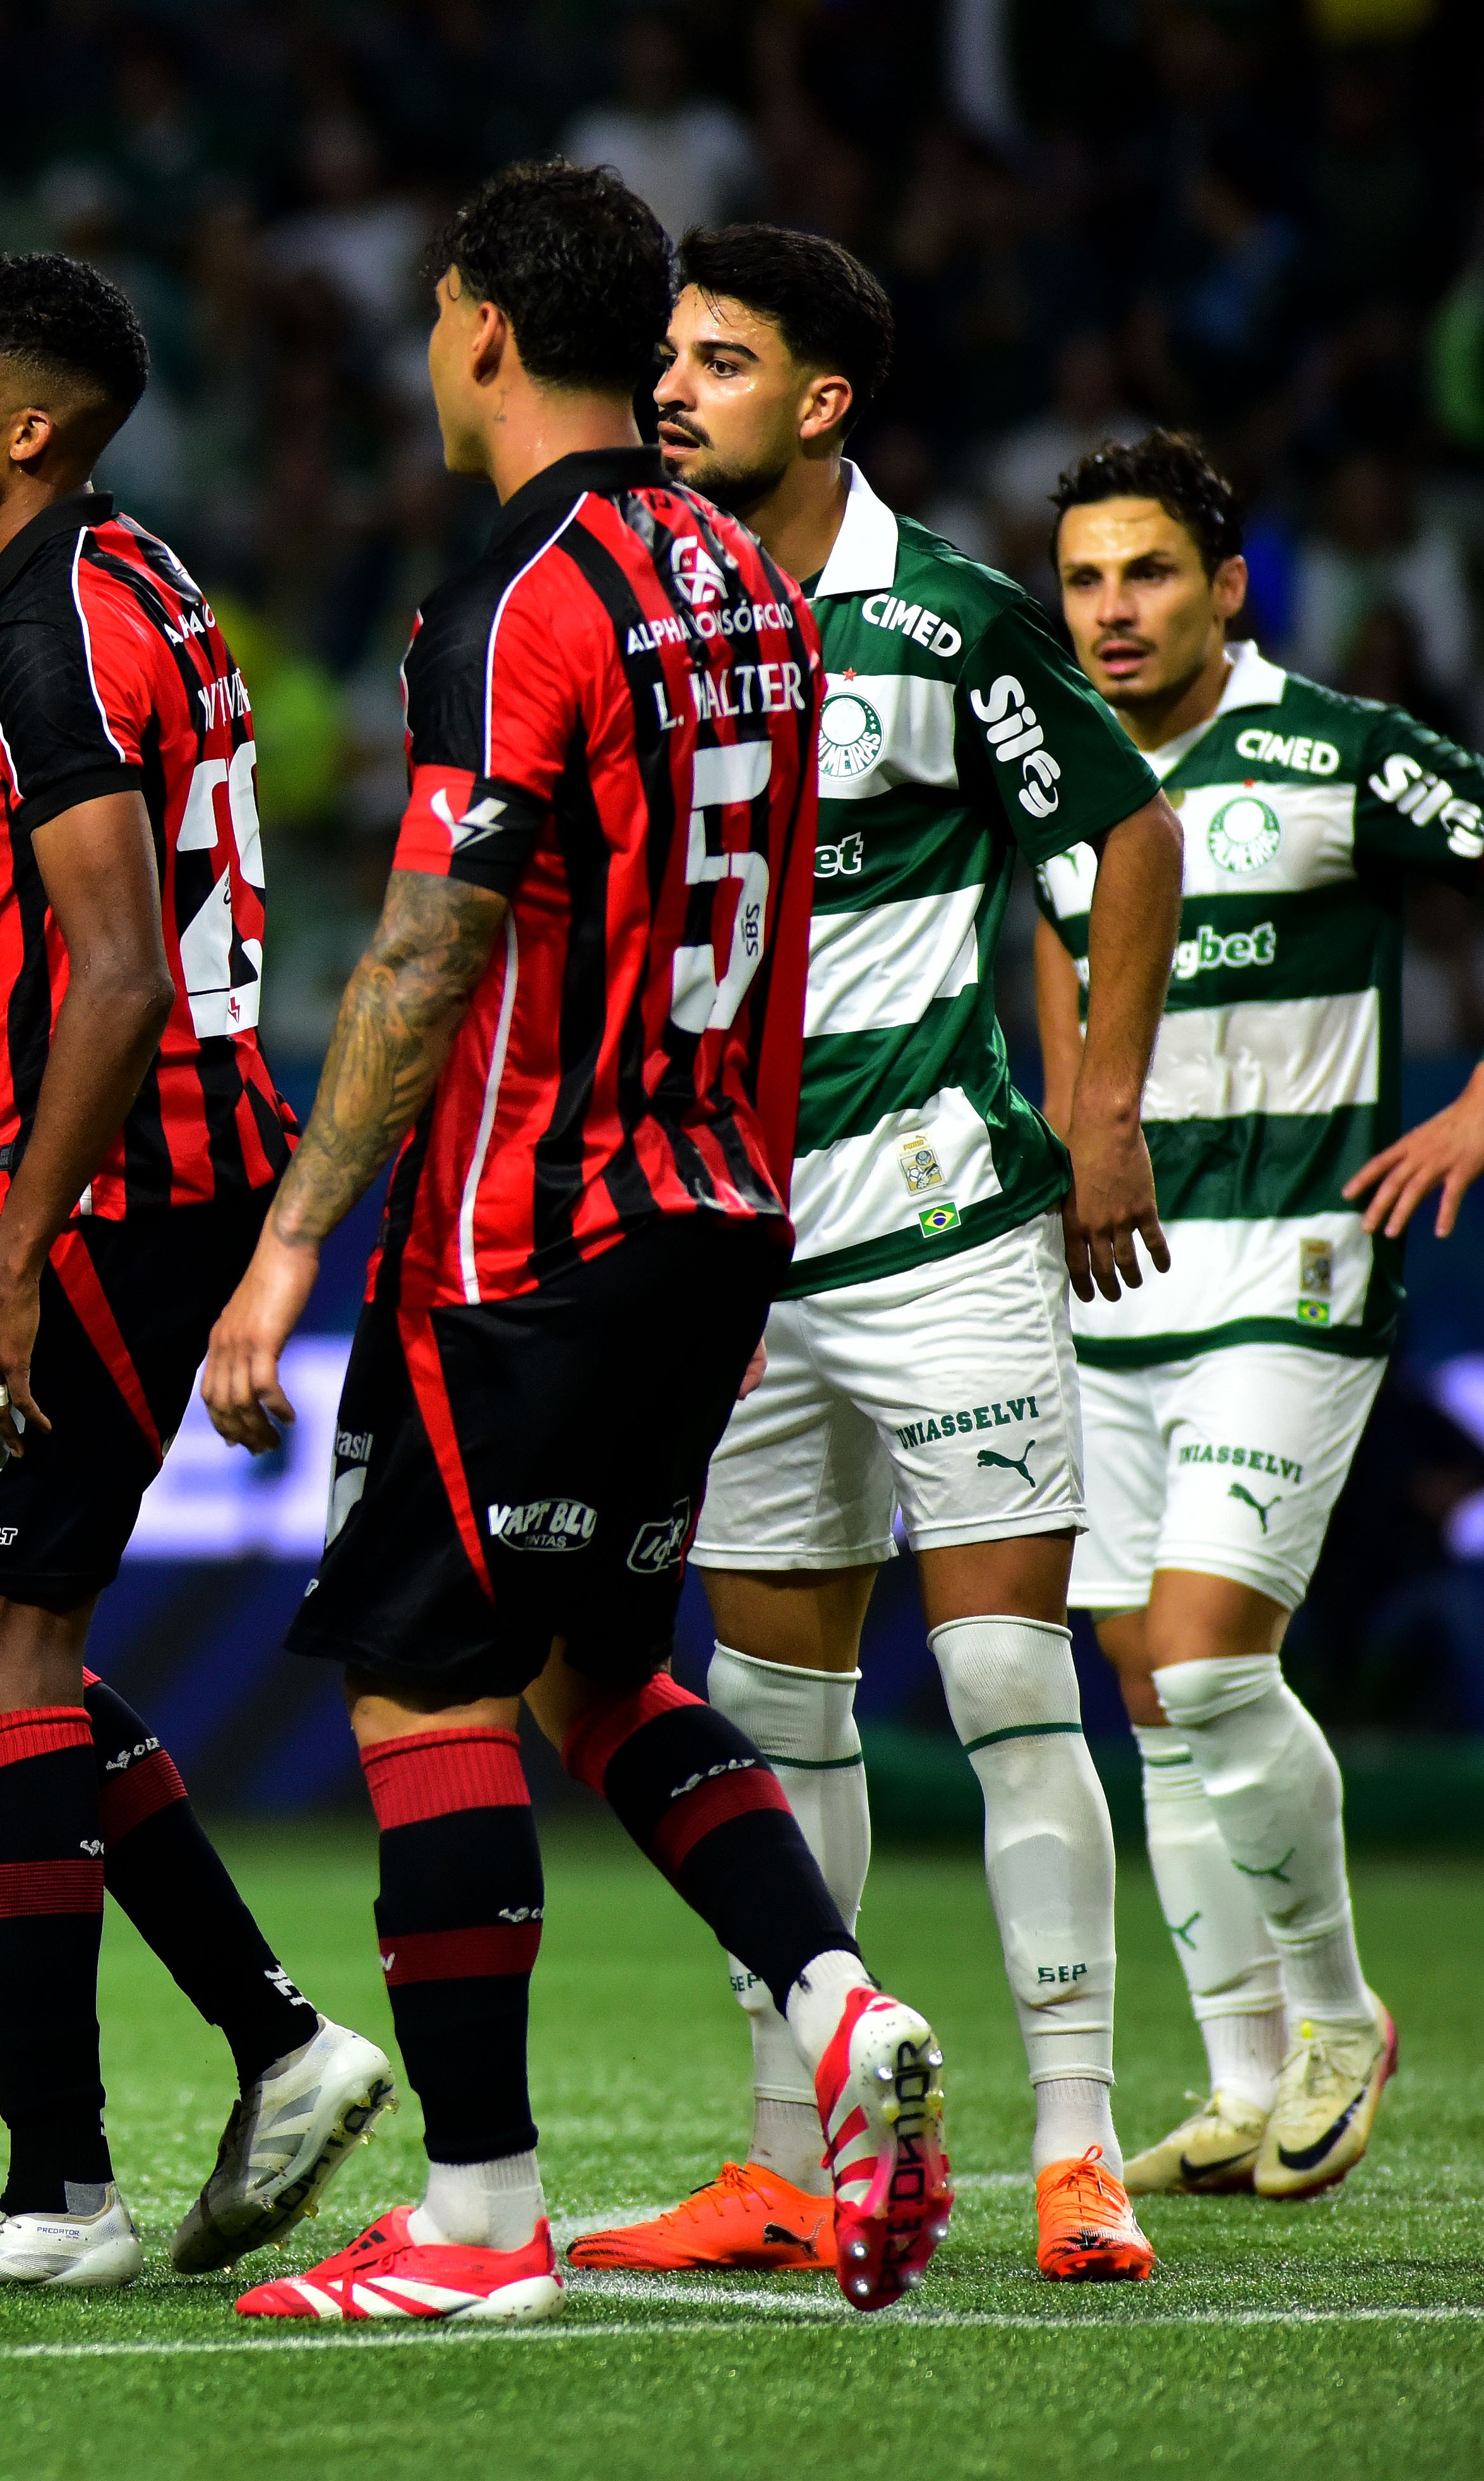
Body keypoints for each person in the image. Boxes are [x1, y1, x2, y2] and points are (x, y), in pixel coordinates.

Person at [203, 161, 945, 2326]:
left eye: (436, 313)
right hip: (719, 1212)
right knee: (596, 1667)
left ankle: (476, 2212)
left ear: (483, 331)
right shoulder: (748, 579)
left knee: (425, 1680)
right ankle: (827, 1993)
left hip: (522, 1225)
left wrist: (281, 1251)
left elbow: (426, 950)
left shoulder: (510, 602)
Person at [571, 224, 1187, 2285]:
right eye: (664, 355)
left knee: (1011, 1676)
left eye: (717, 360)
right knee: (773, 1702)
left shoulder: (945, 626)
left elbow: (1122, 833)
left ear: (820, 400)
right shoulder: (651, 612)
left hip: (935, 1227)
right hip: (728, 1248)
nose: (670, 389)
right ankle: (784, 2155)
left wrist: (1098, 1110)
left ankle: (1075, 2152)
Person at [0, 251, 392, 2294]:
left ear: (28, 427)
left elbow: (121, 971)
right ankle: (271, 2036)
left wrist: (6, 1251)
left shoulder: (48, 624)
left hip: (120, 1187)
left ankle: (61, 2180)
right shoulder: (131, 578)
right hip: (160, 1177)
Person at [1032, 430, 1484, 2202]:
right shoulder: (1058, 777)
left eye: (1145, 573)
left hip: (1293, 1265)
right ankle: (1232, 2080)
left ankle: (1334, 2014)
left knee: (1213, 1654)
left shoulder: (1336, 753)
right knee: (1145, 1692)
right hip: (1112, 1282)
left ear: (1227, 585)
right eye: (1080, 579)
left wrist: (1472, 1105)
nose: (1111, 610)